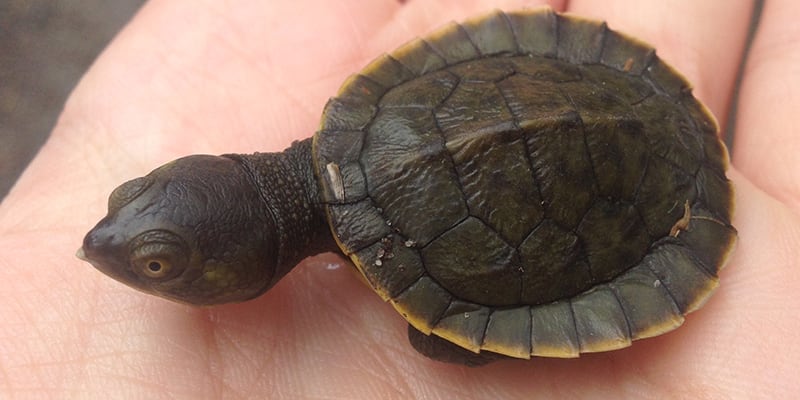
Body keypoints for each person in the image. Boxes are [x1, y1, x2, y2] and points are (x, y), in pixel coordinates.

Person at [1, 0, 797, 398]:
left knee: (438, 346)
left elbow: (462, 331)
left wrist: (461, 333)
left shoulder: (423, 298)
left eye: (156, 261)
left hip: (645, 180)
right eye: (152, 252)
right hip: (592, 92)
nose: (104, 246)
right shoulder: (360, 110)